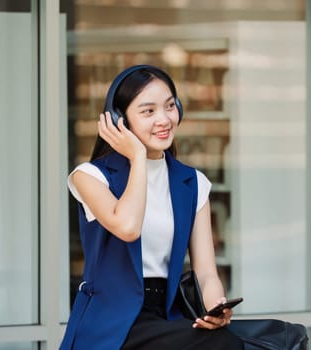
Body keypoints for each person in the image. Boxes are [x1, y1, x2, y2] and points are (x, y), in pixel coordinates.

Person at [59, 65, 243, 350]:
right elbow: (128, 227)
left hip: (166, 316)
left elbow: (206, 273)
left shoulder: (193, 183)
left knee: (225, 340)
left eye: (170, 106)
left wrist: (216, 307)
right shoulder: (90, 176)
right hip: (112, 322)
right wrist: (137, 157)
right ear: (121, 120)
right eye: (148, 111)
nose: (164, 119)